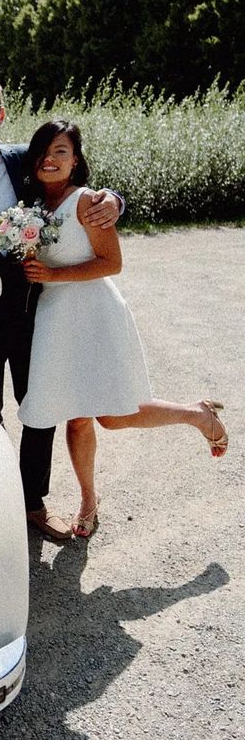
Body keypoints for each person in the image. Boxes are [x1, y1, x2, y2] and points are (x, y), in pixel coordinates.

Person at [0, 76, 123, 540]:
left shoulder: (24, 162)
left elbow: (72, 186)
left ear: (1, 114)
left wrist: (114, 200)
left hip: (37, 308)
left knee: (40, 406)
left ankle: (33, 503)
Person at [18, 120, 228, 537]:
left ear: (75, 160)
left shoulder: (88, 202)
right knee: (77, 418)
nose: (50, 159)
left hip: (93, 314)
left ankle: (197, 416)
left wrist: (53, 276)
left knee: (111, 417)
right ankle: (89, 501)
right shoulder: (32, 205)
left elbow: (111, 263)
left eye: (61, 151)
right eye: (44, 151)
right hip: (55, 319)